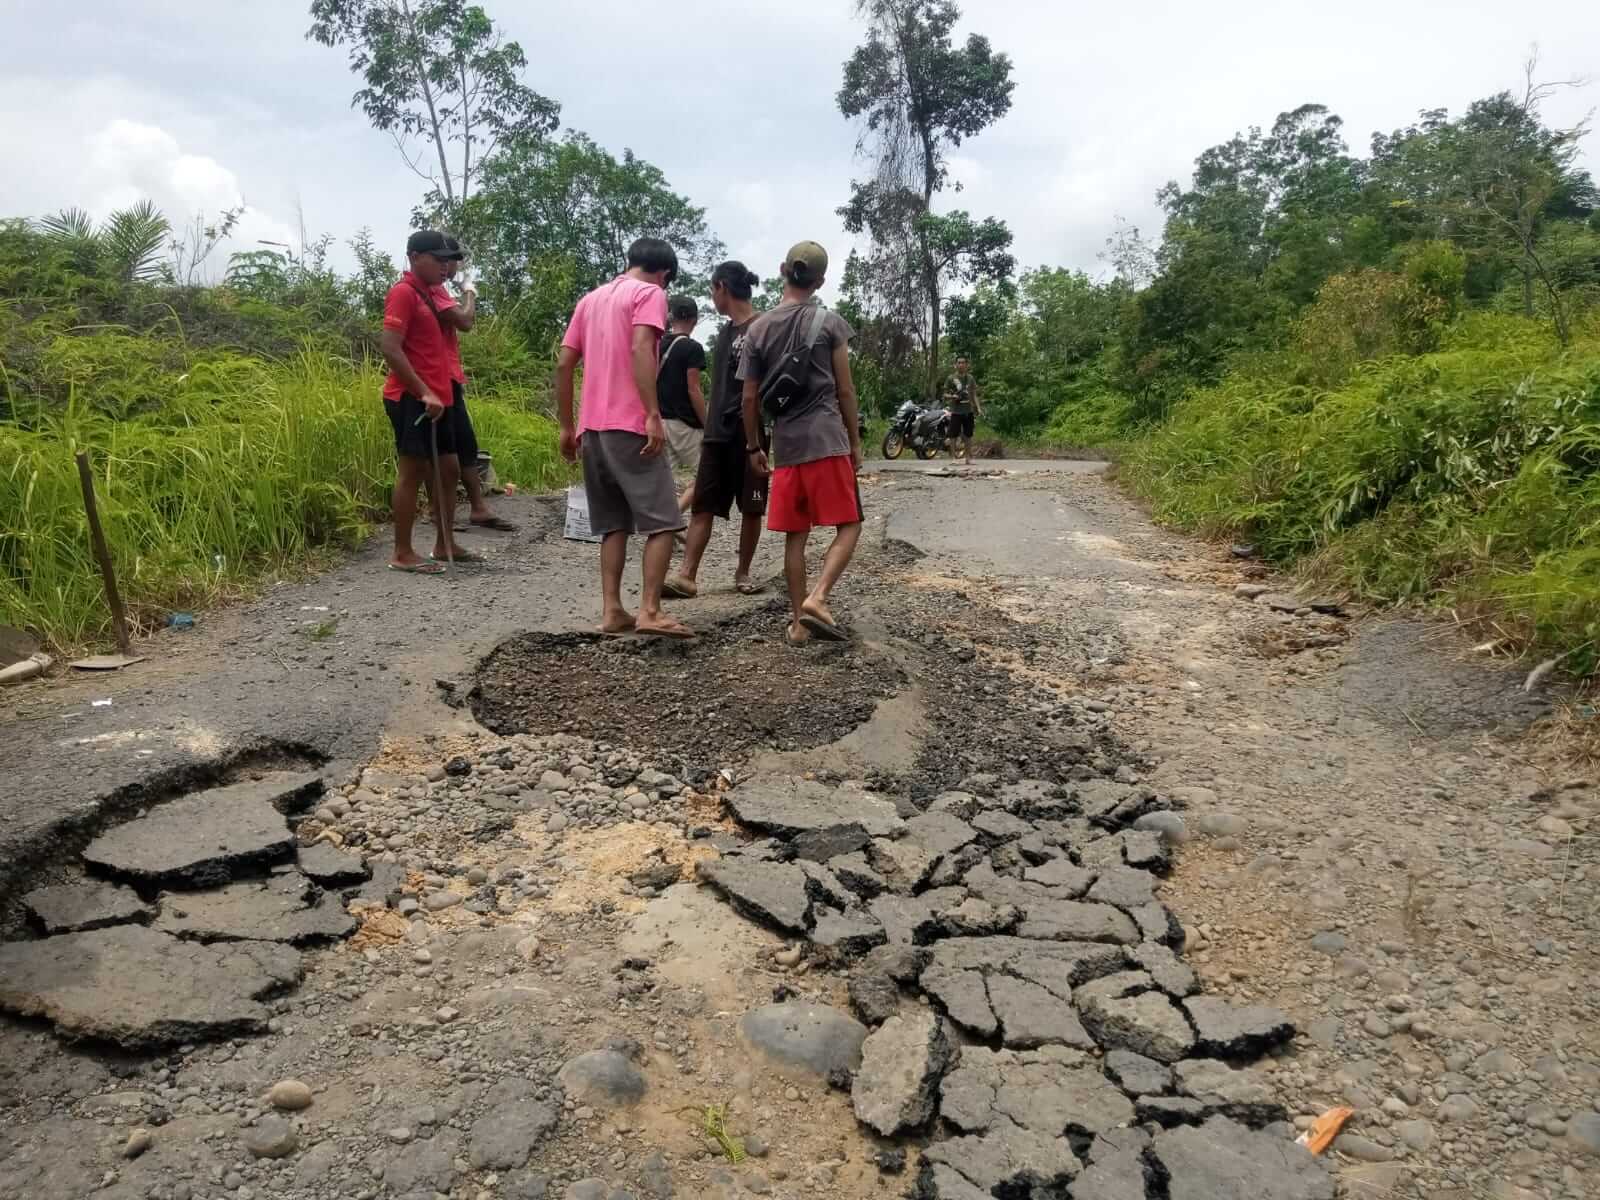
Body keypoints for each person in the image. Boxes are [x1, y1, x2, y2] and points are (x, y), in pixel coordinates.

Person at [555, 237, 693, 639]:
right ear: (665, 274)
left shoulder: (591, 299)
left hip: (592, 430)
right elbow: (640, 347)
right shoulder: (649, 294)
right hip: (629, 425)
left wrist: (567, 425)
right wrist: (652, 414)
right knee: (664, 520)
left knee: (614, 523)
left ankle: (613, 609)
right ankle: (650, 610)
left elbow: (565, 363)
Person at [737, 241, 863, 644]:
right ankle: (819, 597)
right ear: (820, 280)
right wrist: (855, 442)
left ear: (782, 270)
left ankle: (797, 626)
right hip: (827, 439)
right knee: (850, 524)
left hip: (787, 448)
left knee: (797, 535)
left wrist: (754, 447)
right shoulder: (830, 324)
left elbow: (749, 398)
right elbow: (845, 390)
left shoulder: (758, 328)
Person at [664, 261, 767, 599]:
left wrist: (756, 441)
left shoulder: (764, 327)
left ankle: (743, 572)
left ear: (722, 287)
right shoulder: (723, 334)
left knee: (752, 507)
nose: (712, 297)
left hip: (749, 433)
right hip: (716, 433)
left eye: (712, 290)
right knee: (703, 504)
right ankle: (686, 575)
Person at [379, 230, 470, 574]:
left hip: (439, 397)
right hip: (410, 397)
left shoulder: (432, 294)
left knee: (448, 470)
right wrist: (423, 392)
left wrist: (438, 393)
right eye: (438, 259)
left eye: (448, 261)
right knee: (412, 471)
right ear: (415, 257)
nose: (445, 267)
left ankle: (445, 543)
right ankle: (402, 552)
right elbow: (390, 346)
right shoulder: (403, 293)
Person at [433, 236, 516, 533]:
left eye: (454, 260)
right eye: (449, 260)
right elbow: (465, 321)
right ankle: (441, 515)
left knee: (466, 445)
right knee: (445, 452)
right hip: (436, 380)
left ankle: (478, 508)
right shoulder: (434, 291)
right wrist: (469, 293)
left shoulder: (439, 289)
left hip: (450, 378)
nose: (453, 266)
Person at [656, 295, 707, 513]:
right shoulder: (692, 348)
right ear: (695, 320)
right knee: (707, 474)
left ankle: (663, 530)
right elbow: (693, 389)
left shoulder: (655, 344)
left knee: (663, 480)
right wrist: (707, 423)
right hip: (684, 425)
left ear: (670, 317)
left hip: (658, 422)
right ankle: (674, 518)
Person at [943, 355, 983, 465]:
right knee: (953, 435)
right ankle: (952, 458)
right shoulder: (951, 378)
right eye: (959, 363)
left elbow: (974, 394)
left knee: (968, 435)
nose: (961, 365)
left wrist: (978, 408)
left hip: (968, 410)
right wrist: (952, 397)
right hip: (956, 411)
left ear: (967, 365)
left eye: (963, 363)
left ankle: (968, 458)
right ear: (955, 365)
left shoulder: (970, 378)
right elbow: (945, 394)